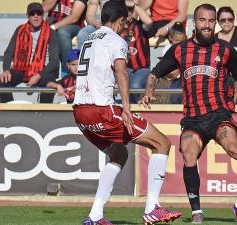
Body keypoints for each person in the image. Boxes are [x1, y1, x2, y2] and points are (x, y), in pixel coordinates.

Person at [139, 4, 237, 224]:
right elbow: (155, 73)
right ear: (195, 23)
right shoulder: (179, 50)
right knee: (188, 151)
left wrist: (233, 102)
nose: (207, 25)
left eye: (211, 21)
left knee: (233, 147)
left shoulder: (225, 49)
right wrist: (148, 93)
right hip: (193, 118)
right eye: (203, 20)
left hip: (219, 114)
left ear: (215, 24)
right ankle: (197, 212)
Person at [72, 1, 181, 224]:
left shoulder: (88, 40)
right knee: (162, 143)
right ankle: (153, 208)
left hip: (80, 112)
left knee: (119, 154)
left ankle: (95, 216)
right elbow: (122, 72)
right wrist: (127, 109)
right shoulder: (116, 40)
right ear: (121, 20)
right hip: (102, 110)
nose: (126, 27)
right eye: (126, 22)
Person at [0, 2, 59, 103]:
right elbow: (8, 52)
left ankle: (44, 111)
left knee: (50, 83)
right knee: (2, 81)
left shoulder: (51, 33)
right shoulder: (20, 30)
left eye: (39, 13)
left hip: (42, 69)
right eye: (32, 13)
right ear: (27, 16)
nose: (36, 16)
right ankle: (10, 108)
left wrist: (38, 75)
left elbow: (54, 61)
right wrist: (6, 70)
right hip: (22, 67)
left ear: (43, 15)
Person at [42, 0, 88, 77]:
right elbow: (43, 9)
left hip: (74, 27)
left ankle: (66, 72)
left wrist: (53, 27)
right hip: (53, 27)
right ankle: (50, 76)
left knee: (62, 32)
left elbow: (74, 18)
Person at [124, 0, 153, 103]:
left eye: (129, 11)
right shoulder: (118, 26)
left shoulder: (140, 25)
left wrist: (135, 6)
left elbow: (149, 22)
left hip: (141, 68)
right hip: (124, 67)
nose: (128, 13)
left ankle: (133, 111)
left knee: (135, 87)